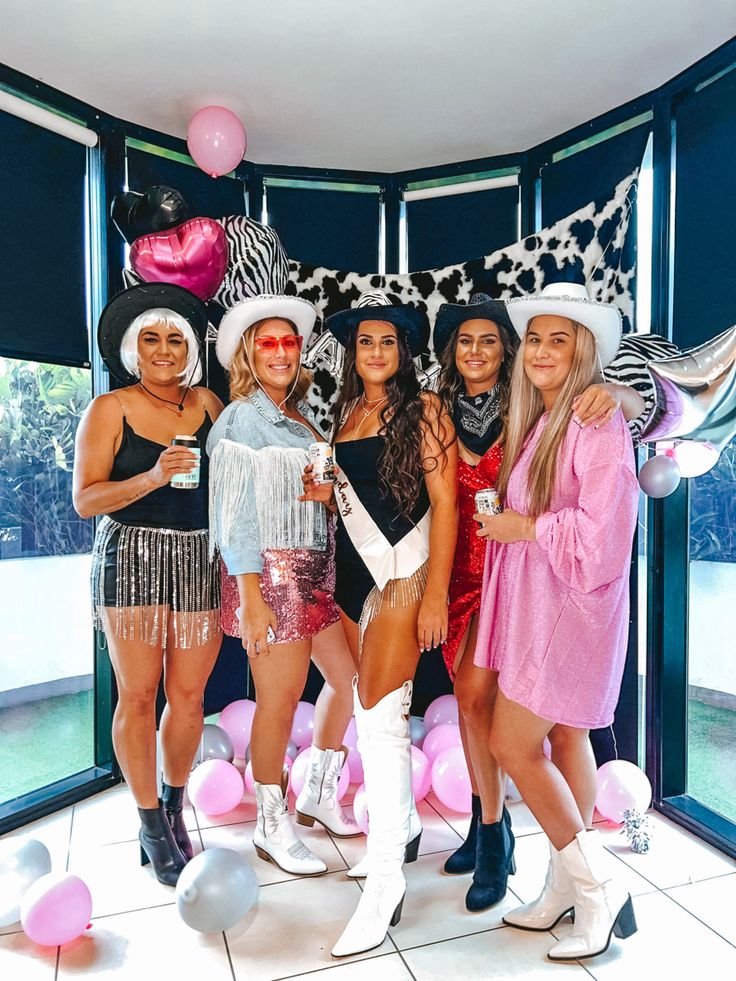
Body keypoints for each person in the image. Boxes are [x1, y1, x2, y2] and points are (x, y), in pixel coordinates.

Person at [433, 291, 646, 913]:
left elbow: (604, 536)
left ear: (584, 350)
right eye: (536, 339)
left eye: (560, 339)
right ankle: (568, 888)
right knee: (568, 741)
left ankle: (599, 894)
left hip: (568, 611)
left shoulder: (594, 419)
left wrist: (525, 529)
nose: (543, 351)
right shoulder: (543, 421)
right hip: (540, 603)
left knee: (513, 745)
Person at [301, 290, 458, 957]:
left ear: (404, 350)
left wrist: (434, 595)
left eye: (388, 341)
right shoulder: (347, 412)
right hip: (356, 576)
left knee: (380, 721)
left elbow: (446, 506)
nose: (375, 352)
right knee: (376, 715)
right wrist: (320, 493)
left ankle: (387, 881)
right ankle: (396, 836)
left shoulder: (424, 409)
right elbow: (348, 498)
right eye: (365, 341)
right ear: (351, 351)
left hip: (406, 573)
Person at [73, 283, 224, 885]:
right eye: (151, 338)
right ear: (134, 349)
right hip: (131, 556)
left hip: (197, 558)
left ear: (190, 347)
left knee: (188, 697)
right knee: (137, 695)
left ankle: (174, 805)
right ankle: (148, 823)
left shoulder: (210, 404)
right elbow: (86, 500)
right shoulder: (110, 408)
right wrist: (155, 475)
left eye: (175, 338)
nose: (164, 349)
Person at [207, 294, 359, 878]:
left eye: (289, 341)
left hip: (316, 570)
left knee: (348, 683)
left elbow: (317, 493)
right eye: (266, 342)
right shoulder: (239, 418)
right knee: (279, 700)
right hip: (267, 574)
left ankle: (318, 793)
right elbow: (233, 516)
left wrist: (327, 499)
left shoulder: (300, 417)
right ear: (248, 351)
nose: (280, 351)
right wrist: (249, 595)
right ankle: (272, 825)